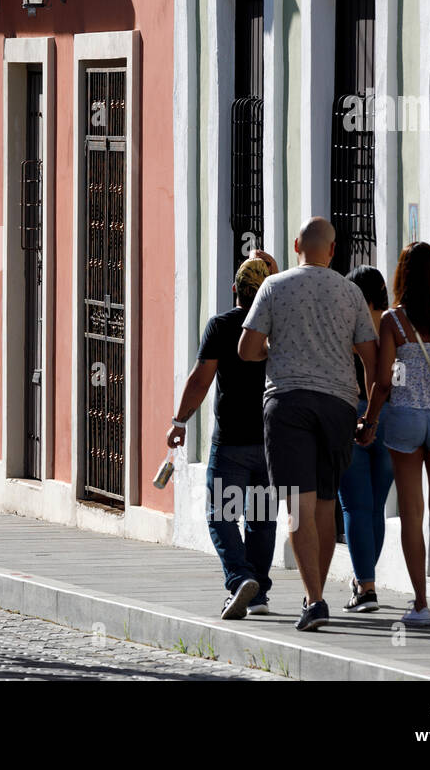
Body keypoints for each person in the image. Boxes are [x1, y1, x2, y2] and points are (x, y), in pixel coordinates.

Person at [238, 217, 378, 631]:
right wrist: (370, 416)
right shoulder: (351, 292)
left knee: (297, 507)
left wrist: (273, 347)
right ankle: (312, 595)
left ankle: (315, 600)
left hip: (288, 402)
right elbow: (371, 360)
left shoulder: (274, 286)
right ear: (332, 251)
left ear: (297, 244)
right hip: (338, 405)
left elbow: (246, 350)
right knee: (325, 504)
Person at [358, 242, 430, 627]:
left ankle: (422, 605)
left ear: (402, 277)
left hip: (406, 418)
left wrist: (370, 420)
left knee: (411, 513)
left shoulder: (393, 321)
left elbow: (383, 381)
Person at [168, 252, 278, 620]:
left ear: (234, 289)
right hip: (269, 441)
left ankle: (239, 577)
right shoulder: (276, 325)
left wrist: (179, 421)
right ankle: (259, 592)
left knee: (221, 516)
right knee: (261, 519)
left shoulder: (221, 325)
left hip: (231, 442)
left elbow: (201, 380)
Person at [337, 266, 395, 613]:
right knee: (375, 507)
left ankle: (366, 586)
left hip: (354, 413)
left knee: (354, 506)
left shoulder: (349, 326)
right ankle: (364, 580)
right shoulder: (392, 325)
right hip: (390, 416)